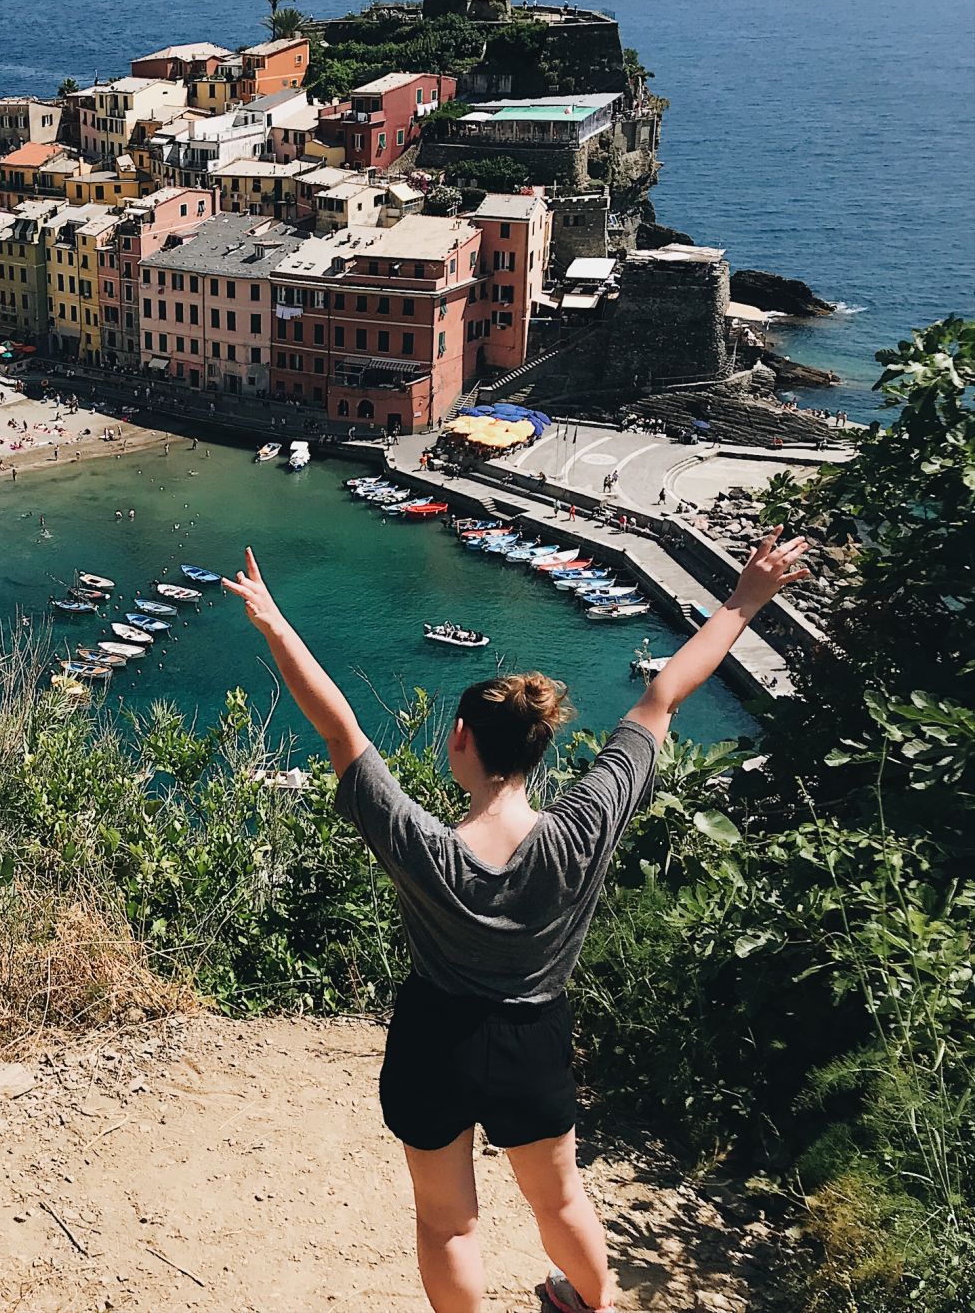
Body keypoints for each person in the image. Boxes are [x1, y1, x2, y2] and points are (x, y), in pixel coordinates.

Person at [222, 531, 811, 1313]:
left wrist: (274, 621)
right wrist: (745, 598)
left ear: (459, 739)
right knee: (559, 1200)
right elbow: (662, 696)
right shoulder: (582, 827)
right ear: (537, 749)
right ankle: (589, 1303)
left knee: (448, 1221)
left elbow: (340, 731)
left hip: (436, 1034)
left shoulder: (424, 848)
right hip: (533, 1034)